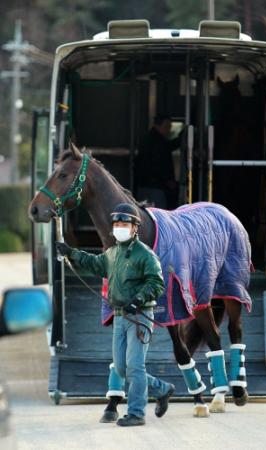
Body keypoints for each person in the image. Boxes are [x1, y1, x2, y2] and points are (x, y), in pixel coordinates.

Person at [56, 203, 174, 427]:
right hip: (120, 316)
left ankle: (137, 413)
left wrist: (138, 299)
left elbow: (156, 282)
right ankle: (162, 388)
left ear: (134, 228)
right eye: (117, 224)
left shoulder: (144, 255)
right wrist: (70, 253)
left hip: (139, 316)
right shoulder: (112, 253)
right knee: (121, 368)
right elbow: (94, 263)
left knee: (134, 367)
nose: (120, 227)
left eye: (125, 224)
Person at [136, 114, 181, 209]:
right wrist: (168, 181)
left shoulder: (149, 139)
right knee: (157, 217)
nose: (168, 130)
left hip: (144, 186)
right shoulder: (158, 142)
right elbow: (158, 164)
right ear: (157, 125)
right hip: (155, 188)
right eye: (166, 126)